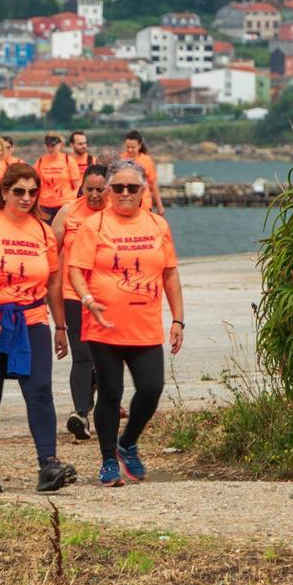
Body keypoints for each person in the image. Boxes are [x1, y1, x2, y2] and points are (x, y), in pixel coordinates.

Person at [0, 163, 77, 494]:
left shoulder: (42, 231)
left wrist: (60, 325)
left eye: (32, 192)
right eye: (18, 191)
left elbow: (53, 281)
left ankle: (48, 465)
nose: (26, 198)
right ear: (4, 192)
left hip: (31, 319)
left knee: (39, 389)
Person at [68, 161, 184, 486]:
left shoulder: (157, 225)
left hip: (145, 325)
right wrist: (87, 299)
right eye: (117, 187)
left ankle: (128, 442)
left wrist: (178, 319)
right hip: (104, 325)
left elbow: (170, 273)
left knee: (151, 388)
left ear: (143, 191)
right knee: (110, 392)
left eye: (131, 188)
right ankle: (108, 461)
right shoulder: (95, 225)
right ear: (107, 191)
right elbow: (75, 269)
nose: (124, 193)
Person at [51, 164, 109, 441]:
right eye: (90, 190)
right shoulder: (68, 212)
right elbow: (50, 254)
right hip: (74, 295)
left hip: (108, 296)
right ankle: (80, 414)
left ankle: (90, 403)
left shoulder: (116, 216)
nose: (95, 195)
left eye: (100, 190)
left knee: (105, 358)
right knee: (82, 355)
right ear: (82, 188)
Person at [34, 131, 79, 223]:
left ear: (60, 145)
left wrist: (72, 204)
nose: (50, 148)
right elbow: (35, 184)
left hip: (64, 205)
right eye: (48, 146)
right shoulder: (40, 161)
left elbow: (77, 187)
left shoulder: (68, 160)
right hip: (45, 206)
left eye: (53, 146)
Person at [122, 130, 165, 214]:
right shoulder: (121, 159)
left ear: (139, 146)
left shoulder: (147, 160)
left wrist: (160, 205)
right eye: (127, 147)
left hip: (144, 204)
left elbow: (153, 183)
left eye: (133, 147)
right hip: (125, 203)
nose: (130, 150)